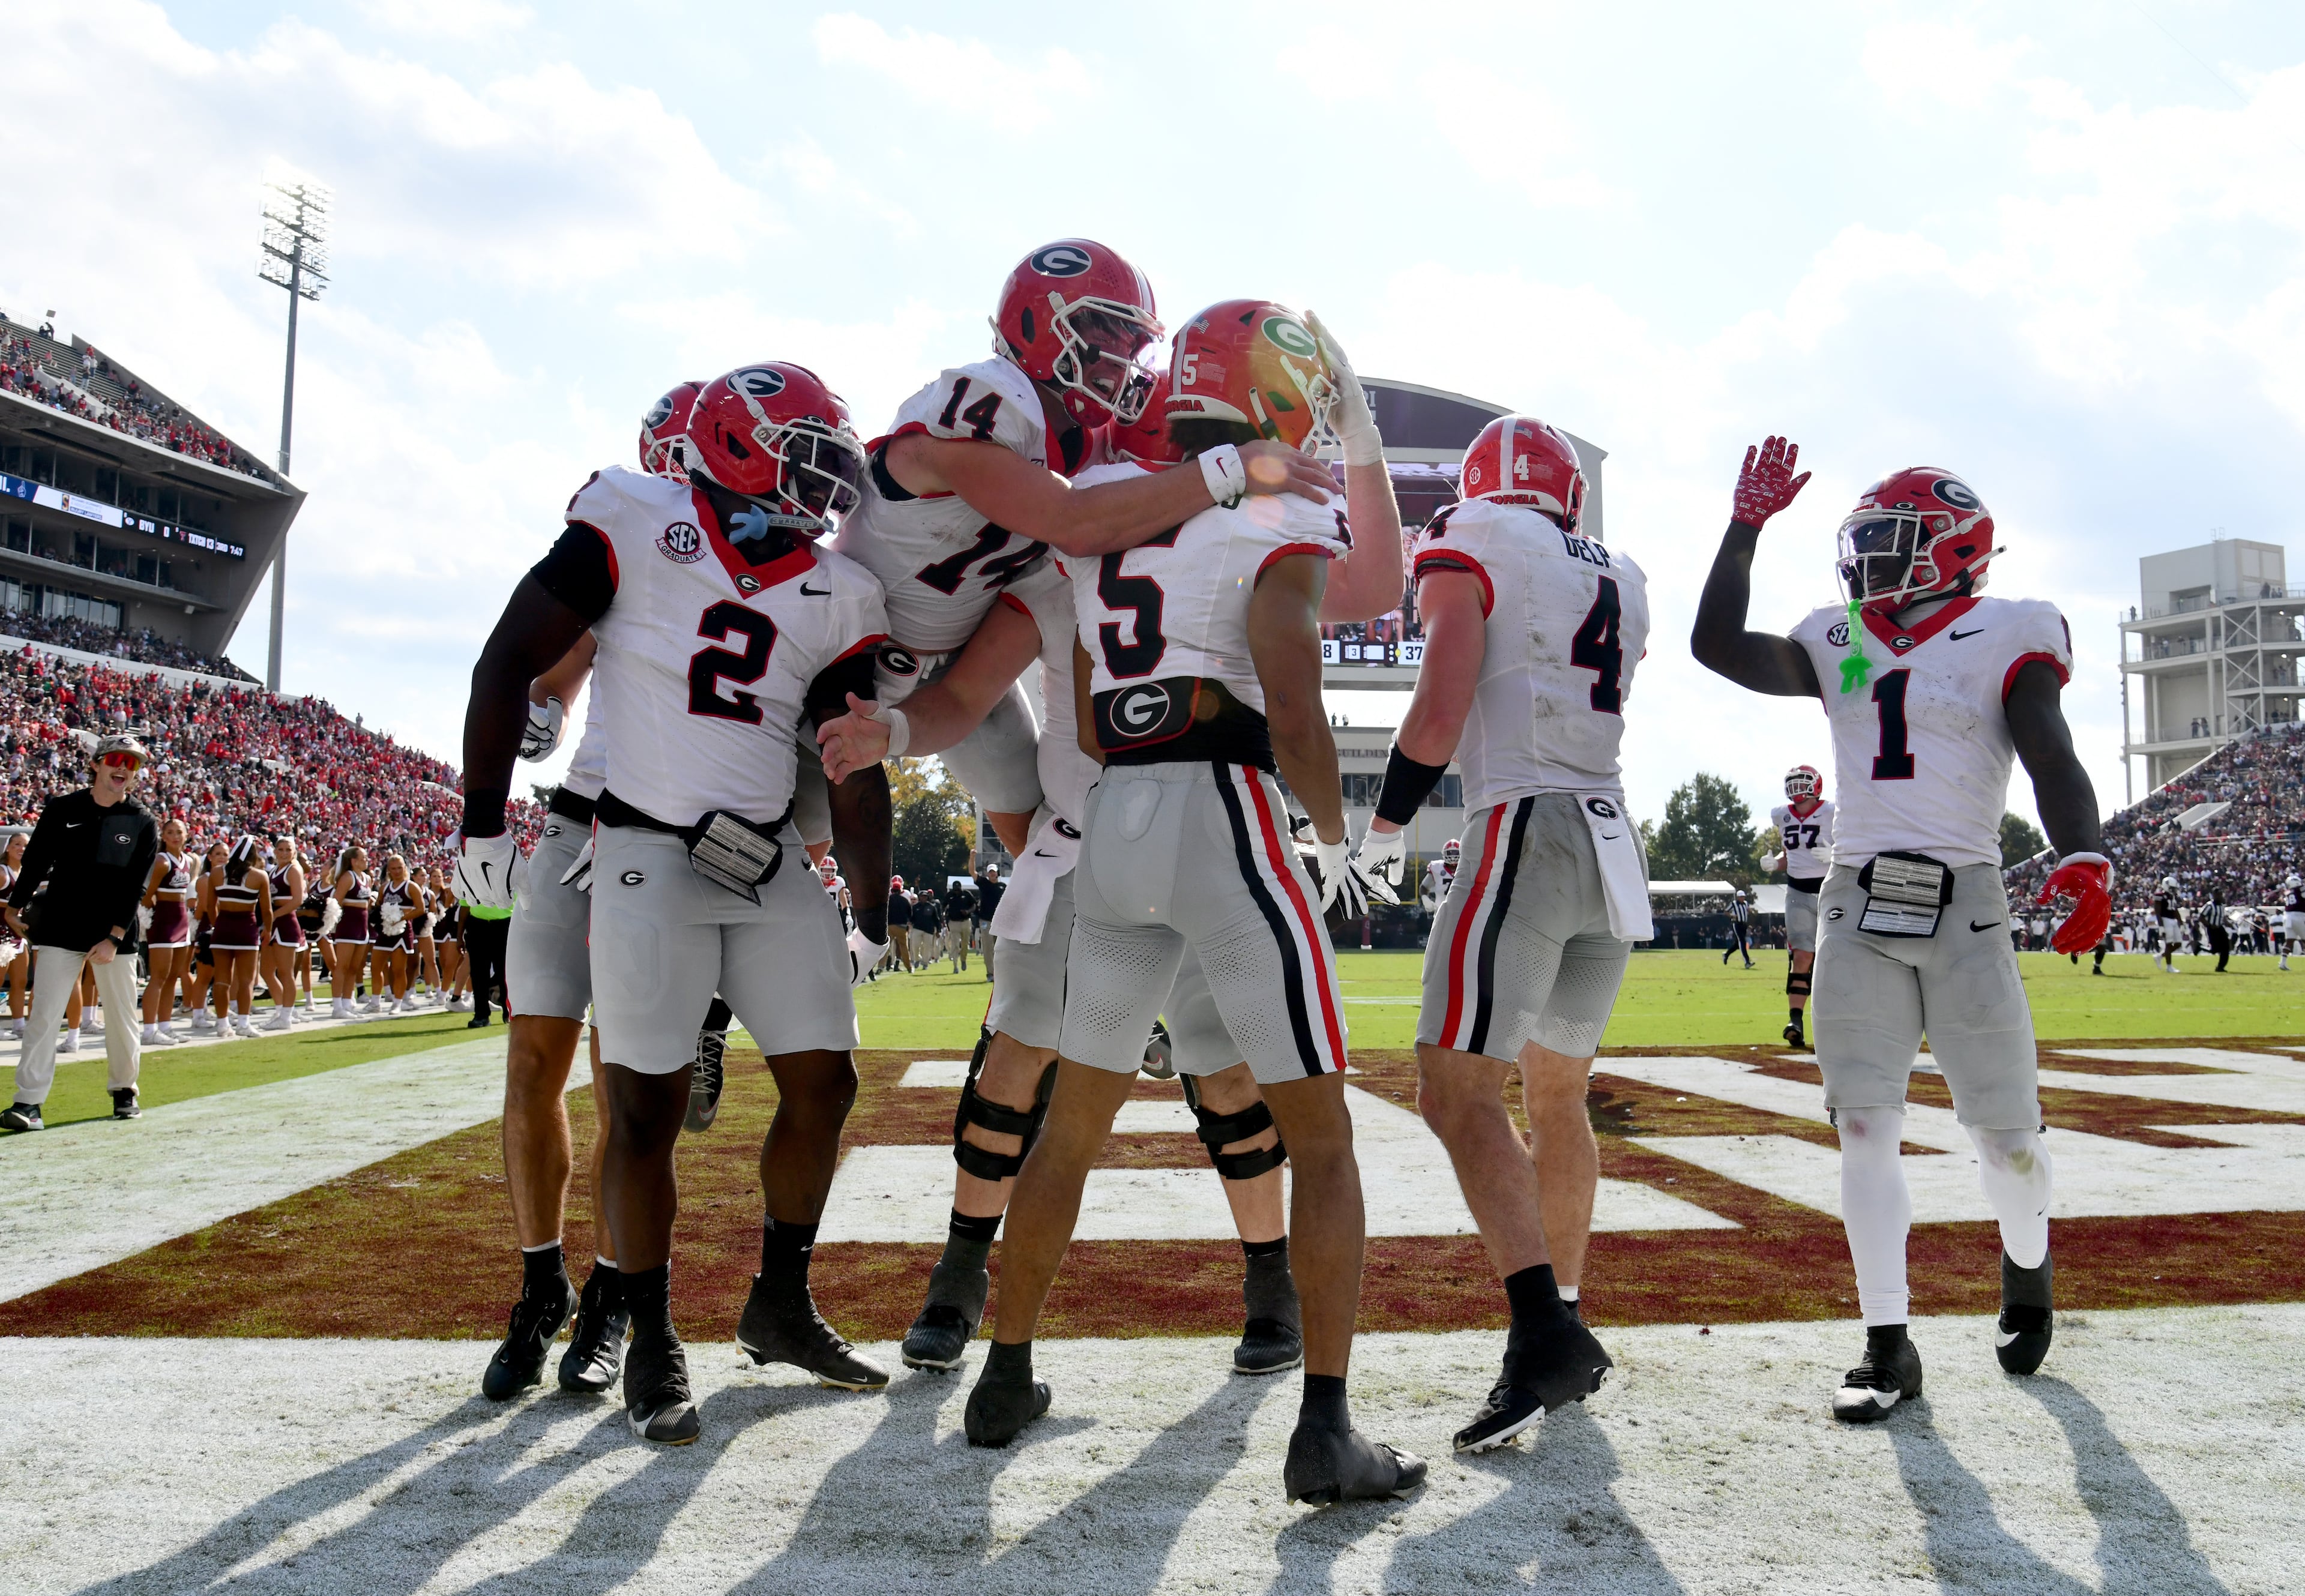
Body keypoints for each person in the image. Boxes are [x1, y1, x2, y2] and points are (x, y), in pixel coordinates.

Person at [824, 330, 1406, 1378]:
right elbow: (1356, 601)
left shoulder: (1091, 524)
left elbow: (1016, 669)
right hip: (1176, 823)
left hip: (1111, 831)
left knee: (1145, 1093)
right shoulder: (1169, 517)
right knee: (1058, 1064)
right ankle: (969, 1276)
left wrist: (900, 733)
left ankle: (1210, 1294)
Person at [958, 298, 1417, 1502]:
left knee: (1074, 1121)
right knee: (1324, 1135)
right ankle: (1326, 1428)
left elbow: (1078, 678)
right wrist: (1332, 830)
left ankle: (1005, 1371)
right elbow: (1290, 671)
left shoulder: (1114, 489)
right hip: (1226, 808)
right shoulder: (1277, 501)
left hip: (1116, 811)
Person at [460, 361, 894, 1447]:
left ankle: (750, 1298)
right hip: (621, 838)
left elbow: (848, 757)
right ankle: (602, 1311)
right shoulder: (635, 522)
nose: (821, 485)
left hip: (754, 855)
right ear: (733, 445)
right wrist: (481, 814)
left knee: (815, 1080)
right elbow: (521, 662)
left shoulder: (834, 587)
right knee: (607, 1091)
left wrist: (872, 907)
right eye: (801, 455)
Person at [1691, 438, 2109, 1421]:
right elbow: (1717, 646)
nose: (1872, 556)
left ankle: (2028, 1261)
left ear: (1957, 545)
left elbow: (2051, 753)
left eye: (1895, 538)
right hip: (1857, 900)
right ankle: (1888, 1341)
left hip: (1967, 899)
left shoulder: (2011, 627)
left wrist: (2084, 852)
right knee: (1866, 1125)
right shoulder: (1839, 635)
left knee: (2007, 1139)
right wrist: (1745, 525)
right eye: (1868, 538)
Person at [832, 239, 1337, 866]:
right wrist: (1235, 466)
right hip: (840, 649)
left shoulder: (1083, 440)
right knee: (803, 824)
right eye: (1110, 330)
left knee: (1037, 827)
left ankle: (1044, 920)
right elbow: (1072, 522)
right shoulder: (987, 400)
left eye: (1135, 339)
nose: (1126, 355)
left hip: (957, 653)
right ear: (1040, 324)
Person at [1350, 413, 1645, 1454]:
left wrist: (1383, 823)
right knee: (1556, 1092)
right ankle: (1560, 1310)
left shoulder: (1473, 535)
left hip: (1523, 823)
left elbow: (1443, 696)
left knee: (1453, 1084)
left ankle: (1544, 1334)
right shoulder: (1619, 568)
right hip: (1610, 837)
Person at [483, 624, 627, 1402]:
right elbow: (559, 681)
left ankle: (610, 1294)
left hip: (667, 843)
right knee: (532, 1063)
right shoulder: (634, 539)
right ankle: (545, 1283)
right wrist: (541, 706)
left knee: (621, 1081)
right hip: (575, 821)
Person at [2, 735, 159, 1131]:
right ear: (97, 763)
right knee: (44, 1014)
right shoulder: (63, 808)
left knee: (122, 1016)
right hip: (61, 926)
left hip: (114, 934)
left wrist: (114, 936)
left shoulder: (143, 820)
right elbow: (36, 859)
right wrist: (13, 906)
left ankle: (125, 1090)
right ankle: (29, 1103)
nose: (124, 767)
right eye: (117, 759)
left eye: (133, 763)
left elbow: (136, 886)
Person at [1764, 764, 1834, 1046]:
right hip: (1797, 892)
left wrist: (1835, 854)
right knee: (1802, 957)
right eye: (1792, 783)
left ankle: (1841, 1021)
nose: (1797, 788)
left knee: (1837, 956)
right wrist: (1776, 864)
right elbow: (1789, 855)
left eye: (1802, 782)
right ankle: (1796, 1020)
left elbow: (1855, 845)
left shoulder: (1832, 811)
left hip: (1831, 890)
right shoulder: (1781, 815)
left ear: (1816, 785)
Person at [203, 835, 271, 1038]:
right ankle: (243, 1023)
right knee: (246, 980)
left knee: (222, 980)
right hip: (246, 929)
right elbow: (266, 910)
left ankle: (222, 1024)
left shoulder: (216, 873)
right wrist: (268, 929)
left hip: (224, 927)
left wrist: (218, 925)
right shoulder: (259, 876)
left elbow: (209, 906)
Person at [139, 817, 196, 1046]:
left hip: (182, 920)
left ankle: (165, 1026)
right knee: (159, 977)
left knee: (174, 976)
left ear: (186, 835)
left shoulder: (188, 861)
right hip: (164, 921)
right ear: (163, 836)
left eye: (179, 832)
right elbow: (146, 894)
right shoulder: (162, 861)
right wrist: (155, 917)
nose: (175, 836)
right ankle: (149, 1030)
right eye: (170, 832)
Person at [259, 836, 307, 1030]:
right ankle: (282, 1011)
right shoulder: (273, 871)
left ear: (294, 852)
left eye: (289, 849)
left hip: (286, 922)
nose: (285, 853)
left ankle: (286, 1016)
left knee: (286, 973)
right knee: (266, 971)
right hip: (275, 923)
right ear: (275, 851)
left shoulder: (294, 870)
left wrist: (273, 916)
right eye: (281, 849)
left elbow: (297, 900)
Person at [328, 845, 374, 1019]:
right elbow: (336, 902)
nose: (366, 861)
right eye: (363, 858)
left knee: (355, 967)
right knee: (343, 966)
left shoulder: (367, 879)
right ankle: (337, 1006)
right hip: (348, 925)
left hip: (363, 926)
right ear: (353, 861)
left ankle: (348, 1003)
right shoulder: (348, 877)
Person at [972, 861, 1004, 983]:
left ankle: (1000, 973)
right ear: (987, 874)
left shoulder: (1003, 886)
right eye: (990, 872)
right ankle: (990, 973)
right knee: (987, 947)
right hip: (986, 921)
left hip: (1000, 922)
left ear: (997, 873)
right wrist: (972, 857)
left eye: (994, 872)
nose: (992, 874)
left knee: (1000, 948)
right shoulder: (984, 883)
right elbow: (972, 872)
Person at [942, 873, 977, 972]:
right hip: (954, 922)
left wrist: (968, 911)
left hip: (965, 921)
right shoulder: (950, 896)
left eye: (958, 889)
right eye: (955, 890)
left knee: (965, 944)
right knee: (955, 944)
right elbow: (943, 906)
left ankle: (963, 960)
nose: (957, 891)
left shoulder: (966, 894)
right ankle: (955, 966)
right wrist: (944, 915)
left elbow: (974, 905)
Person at [1420, 839, 1459, 915]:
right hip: (1441, 912)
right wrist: (1425, 899)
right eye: (1450, 853)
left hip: (1461, 911)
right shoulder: (1437, 868)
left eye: (1455, 853)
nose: (1453, 856)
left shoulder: (1466, 868)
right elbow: (1424, 887)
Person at [885, 875, 913, 974]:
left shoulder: (889, 898)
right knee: (904, 947)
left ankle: (881, 966)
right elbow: (910, 913)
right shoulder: (905, 899)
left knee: (887, 947)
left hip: (890, 925)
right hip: (902, 925)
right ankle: (908, 967)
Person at [1723, 888, 1756, 968]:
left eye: (1743, 897)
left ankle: (1726, 954)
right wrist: (1732, 916)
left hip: (1744, 925)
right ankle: (1747, 962)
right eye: (1741, 897)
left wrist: (1751, 912)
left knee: (1738, 945)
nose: (1743, 898)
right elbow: (1726, 911)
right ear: (1738, 897)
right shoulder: (1734, 904)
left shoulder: (1746, 903)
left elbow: (1747, 911)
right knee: (1742, 942)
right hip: (1737, 924)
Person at [2283, 873, 2303, 972]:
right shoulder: (2300, 890)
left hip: (2287, 916)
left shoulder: (2288, 892)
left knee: (2289, 941)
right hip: (2299, 916)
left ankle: (2282, 963)